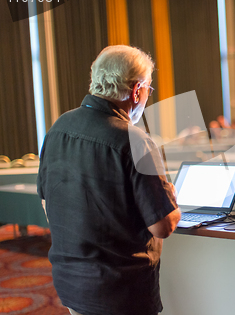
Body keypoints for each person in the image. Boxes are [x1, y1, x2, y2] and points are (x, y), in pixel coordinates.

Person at [37, 46, 181, 315]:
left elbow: (48, 204)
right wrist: (169, 196)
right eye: (148, 90)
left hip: (70, 285)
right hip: (120, 292)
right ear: (137, 90)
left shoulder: (57, 129)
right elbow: (163, 226)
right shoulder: (135, 140)